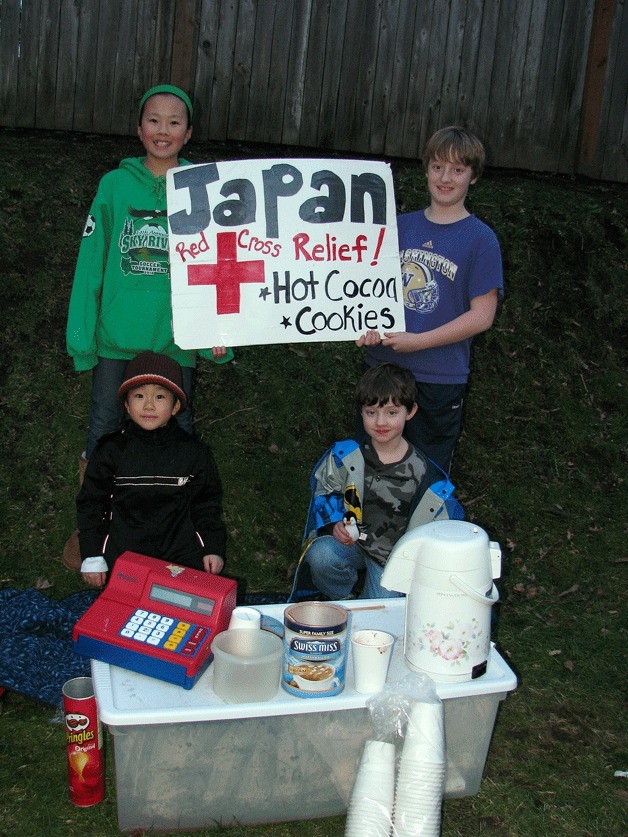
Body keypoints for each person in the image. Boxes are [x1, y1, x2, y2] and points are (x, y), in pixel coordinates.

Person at [64, 84, 232, 569]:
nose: (163, 130)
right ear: (139, 128)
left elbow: (221, 263)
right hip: (117, 339)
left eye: (174, 122)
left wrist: (220, 333)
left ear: (189, 132)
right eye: (154, 120)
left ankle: (184, 532)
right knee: (103, 428)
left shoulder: (204, 190)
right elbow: (91, 261)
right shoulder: (115, 186)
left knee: (179, 429)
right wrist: (82, 336)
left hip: (176, 340)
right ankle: (95, 536)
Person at [358, 126, 503, 472]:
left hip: (439, 378)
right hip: (382, 370)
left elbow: (482, 316)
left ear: (473, 176)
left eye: (457, 169)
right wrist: (363, 325)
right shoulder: (395, 227)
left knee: (428, 478)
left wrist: (418, 341)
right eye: (438, 166)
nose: (446, 178)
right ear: (426, 170)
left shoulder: (481, 239)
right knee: (369, 471)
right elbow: (365, 291)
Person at [299, 363, 455, 601]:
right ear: (361, 412)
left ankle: (371, 601)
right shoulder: (345, 457)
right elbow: (325, 490)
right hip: (352, 544)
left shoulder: (426, 475)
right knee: (320, 555)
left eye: (391, 413)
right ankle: (344, 599)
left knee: (380, 611)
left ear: (410, 411)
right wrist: (333, 524)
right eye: (371, 412)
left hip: (391, 559)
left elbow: (438, 528)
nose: (381, 422)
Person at [78, 351, 227, 589]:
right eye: (139, 396)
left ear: (175, 405)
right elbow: (92, 504)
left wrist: (212, 547)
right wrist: (92, 555)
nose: (149, 405)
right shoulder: (110, 450)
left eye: (159, 396)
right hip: (124, 558)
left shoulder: (192, 452)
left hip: (180, 558)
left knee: (183, 608)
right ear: (126, 405)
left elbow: (206, 504)